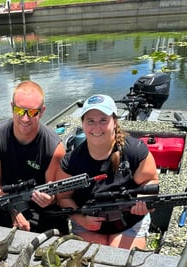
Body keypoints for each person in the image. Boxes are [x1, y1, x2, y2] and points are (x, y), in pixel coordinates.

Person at [56, 94, 159, 249]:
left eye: (103, 120)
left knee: (118, 260)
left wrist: (143, 200)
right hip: (88, 223)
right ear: (83, 124)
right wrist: (80, 218)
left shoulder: (134, 151)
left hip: (129, 221)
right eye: (90, 121)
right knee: (90, 259)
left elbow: (151, 181)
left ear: (115, 121)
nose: (97, 127)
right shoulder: (71, 161)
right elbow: (63, 198)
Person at [0, 80, 68, 233]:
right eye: (19, 111)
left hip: (38, 208)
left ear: (41, 111)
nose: (25, 119)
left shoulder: (55, 148)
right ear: (12, 107)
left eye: (32, 112)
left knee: (56, 235)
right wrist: (12, 209)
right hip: (5, 199)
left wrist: (50, 199)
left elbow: (53, 194)